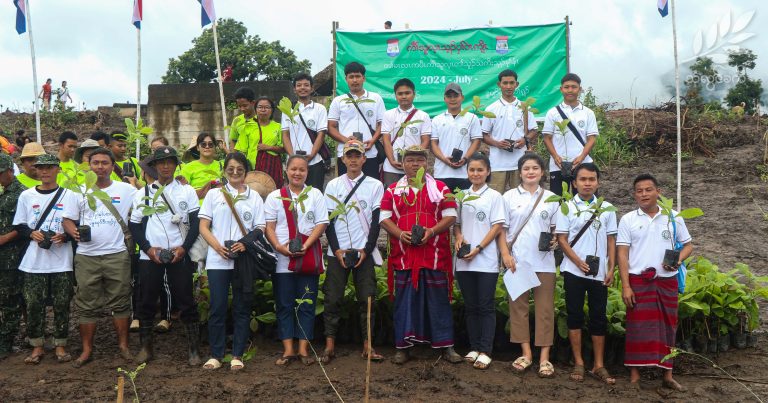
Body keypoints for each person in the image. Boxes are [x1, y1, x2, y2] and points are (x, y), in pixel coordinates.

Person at [379, 145, 462, 365]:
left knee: (438, 301)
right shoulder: (393, 189)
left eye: (420, 160)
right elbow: (384, 218)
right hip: (404, 254)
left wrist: (431, 231)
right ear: (403, 163)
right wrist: (399, 233)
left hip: (433, 253)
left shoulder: (441, 188)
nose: (415, 164)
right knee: (404, 302)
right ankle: (403, 347)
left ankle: (446, 346)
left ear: (427, 163)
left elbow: (451, 215)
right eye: (411, 160)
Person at [62, 148, 137, 367]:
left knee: (121, 301)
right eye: (95, 163)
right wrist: (72, 231)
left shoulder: (125, 190)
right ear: (89, 166)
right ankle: (87, 349)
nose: (100, 167)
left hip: (117, 254)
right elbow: (67, 219)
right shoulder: (78, 191)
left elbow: (144, 201)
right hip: (87, 256)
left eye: (105, 163)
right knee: (86, 304)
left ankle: (123, 346)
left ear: (113, 166)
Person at [617, 174, 693, 391]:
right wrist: (626, 285)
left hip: (667, 282)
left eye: (648, 190)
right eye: (639, 191)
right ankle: (634, 375)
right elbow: (622, 254)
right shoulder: (628, 219)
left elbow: (688, 245)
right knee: (637, 328)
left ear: (658, 191)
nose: (644, 194)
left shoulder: (673, 217)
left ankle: (667, 375)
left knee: (669, 327)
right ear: (634, 194)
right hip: (639, 281)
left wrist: (678, 259)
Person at [128, 146, 201, 365]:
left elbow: (196, 222)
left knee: (186, 300)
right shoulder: (144, 193)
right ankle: (145, 347)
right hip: (151, 256)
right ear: (154, 166)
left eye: (170, 161)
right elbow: (135, 225)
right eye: (161, 162)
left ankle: (193, 350)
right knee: (147, 300)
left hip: (180, 254)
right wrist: (148, 249)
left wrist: (184, 248)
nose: (166, 166)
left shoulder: (186, 191)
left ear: (176, 164)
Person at [199, 153, 266, 371]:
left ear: (246, 171)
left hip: (242, 259)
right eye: (231, 168)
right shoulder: (214, 195)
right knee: (217, 306)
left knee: (241, 306)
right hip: (217, 260)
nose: (235, 172)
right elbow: (203, 226)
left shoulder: (253, 197)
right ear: (224, 170)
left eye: (240, 168)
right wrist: (216, 246)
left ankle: (237, 354)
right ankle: (216, 354)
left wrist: (245, 243)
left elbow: (260, 227)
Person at [322, 140, 385, 363]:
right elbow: (327, 222)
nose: (353, 159)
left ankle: (368, 345)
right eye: (349, 155)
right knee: (332, 299)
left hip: (363, 251)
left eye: (357, 155)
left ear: (364, 159)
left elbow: (377, 221)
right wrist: (336, 250)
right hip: (337, 252)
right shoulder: (333, 185)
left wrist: (367, 250)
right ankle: (330, 345)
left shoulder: (375, 185)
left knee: (367, 300)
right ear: (343, 159)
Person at [554, 163, 617, 384]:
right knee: (574, 316)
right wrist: (578, 262)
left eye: (591, 179)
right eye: (583, 179)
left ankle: (599, 364)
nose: (587, 183)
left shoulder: (607, 208)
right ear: (574, 183)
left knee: (599, 318)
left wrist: (611, 268)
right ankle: (579, 362)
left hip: (599, 274)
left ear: (598, 182)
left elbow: (611, 240)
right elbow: (561, 239)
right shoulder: (566, 207)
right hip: (573, 271)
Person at [498, 153, 559, 377]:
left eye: (535, 168)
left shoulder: (551, 198)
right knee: (519, 308)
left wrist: (554, 240)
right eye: (526, 168)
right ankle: (526, 353)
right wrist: (505, 254)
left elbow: (556, 230)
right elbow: (501, 230)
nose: (531, 172)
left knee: (545, 310)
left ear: (542, 172)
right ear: (520, 172)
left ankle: (544, 357)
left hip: (544, 262)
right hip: (518, 261)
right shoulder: (509, 197)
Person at [264, 155, 328, 366]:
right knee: (284, 304)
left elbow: (321, 223)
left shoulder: (315, 194)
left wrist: (306, 245)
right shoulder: (275, 197)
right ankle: (288, 349)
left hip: (307, 257)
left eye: (302, 169)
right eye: (293, 169)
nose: (297, 173)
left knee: (307, 304)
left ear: (307, 172)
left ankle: (303, 350)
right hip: (282, 259)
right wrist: (279, 247)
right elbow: (269, 227)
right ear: (286, 170)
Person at [13, 154, 77, 364]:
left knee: (62, 304)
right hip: (34, 262)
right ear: (36, 171)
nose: (44, 172)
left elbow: (76, 227)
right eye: (41, 168)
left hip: (62, 261)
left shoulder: (70, 195)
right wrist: (32, 233)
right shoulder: (27, 196)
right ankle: (37, 346)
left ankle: (60, 345)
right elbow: (20, 226)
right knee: (33, 304)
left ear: (58, 169)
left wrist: (65, 236)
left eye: (49, 167)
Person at [453, 152, 504, 370]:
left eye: (480, 170)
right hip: (464, 261)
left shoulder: (494, 196)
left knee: (485, 306)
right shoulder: (460, 195)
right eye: (472, 170)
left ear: (488, 172)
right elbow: (455, 223)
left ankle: (486, 350)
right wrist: (457, 237)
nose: (475, 173)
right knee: (471, 306)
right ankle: (473, 347)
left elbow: (497, 226)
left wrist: (479, 248)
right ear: (467, 172)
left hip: (486, 260)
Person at [542, 73, 599, 196]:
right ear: (561, 89)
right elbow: (547, 138)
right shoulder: (552, 113)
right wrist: (555, 156)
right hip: (558, 165)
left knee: (586, 201)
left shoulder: (588, 113)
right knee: (558, 202)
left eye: (574, 87)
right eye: (566, 87)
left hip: (583, 164)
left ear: (580, 89)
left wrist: (581, 157)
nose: (570, 90)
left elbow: (592, 138)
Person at [481, 70, 537, 194]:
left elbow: (534, 130)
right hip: (497, 164)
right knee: (495, 199)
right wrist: (496, 144)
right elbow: (484, 135)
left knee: (520, 200)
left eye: (511, 83)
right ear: (499, 84)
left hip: (521, 164)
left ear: (516, 84)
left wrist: (525, 140)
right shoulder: (491, 108)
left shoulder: (524, 107)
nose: (508, 86)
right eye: (505, 83)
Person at [327, 62, 386, 178]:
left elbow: (382, 124)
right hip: (346, 154)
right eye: (351, 77)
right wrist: (345, 140)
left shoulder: (375, 98)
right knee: (346, 189)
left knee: (371, 187)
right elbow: (330, 127)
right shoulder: (339, 101)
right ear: (346, 79)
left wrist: (373, 140)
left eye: (358, 76)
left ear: (363, 78)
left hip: (369, 153)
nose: (355, 80)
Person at [281, 73, 329, 192]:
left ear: (312, 88)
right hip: (293, 163)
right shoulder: (288, 109)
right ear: (294, 89)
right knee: (294, 195)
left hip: (315, 161)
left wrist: (311, 155)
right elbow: (285, 135)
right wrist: (293, 157)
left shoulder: (319, 108)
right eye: (299, 85)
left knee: (315, 194)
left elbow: (321, 134)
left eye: (306, 85)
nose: (303, 88)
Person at [431, 83, 482, 191]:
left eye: (456, 96)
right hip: (441, 172)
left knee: (464, 206)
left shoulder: (472, 118)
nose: (452, 99)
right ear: (444, 98)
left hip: (465, 173)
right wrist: (444, 159)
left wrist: (465, 158)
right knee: (443, 206)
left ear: (462, 97)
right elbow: (433, 144)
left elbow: (476, 141)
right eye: (449, 96)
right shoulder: (437, 119)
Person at [381, 79, 432, 187]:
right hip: (392, 167)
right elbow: (386, 140)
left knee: (415, 197)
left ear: (414, 94)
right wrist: (391, 160)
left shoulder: (423, 116)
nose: (404, 96)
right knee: (393, 197)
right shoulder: (388, 115)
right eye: (400, 94)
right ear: (395, 95)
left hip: (414, 167)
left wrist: (414, 160)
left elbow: (425, 141)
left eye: (407, 93)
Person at [0, 154, 25, 360]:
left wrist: (5, 238)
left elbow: (25, 226)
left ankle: (6, 343)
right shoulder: (4, 192)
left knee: (10, 300)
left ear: (9, 171)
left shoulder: (21, 194)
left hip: (11, 256)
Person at [233, 94, 285, 187]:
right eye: (260, 107)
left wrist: (268, 147)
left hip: (272, 167)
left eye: (267, 107)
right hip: (252, 168)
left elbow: (283, 149)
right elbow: (241, 150)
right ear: (255, 109)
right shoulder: (248, 126)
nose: (263, 110)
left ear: (272, 110)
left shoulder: (278, 127)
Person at [181, 133, 223, 202]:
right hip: (198, 209)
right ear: (198, 147)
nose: (207, 147)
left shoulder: (223, 165)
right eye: (203, 144)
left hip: (219, 208)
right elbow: (182, 193)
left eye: (210, 144)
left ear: (215, 147)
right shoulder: (188, 168)